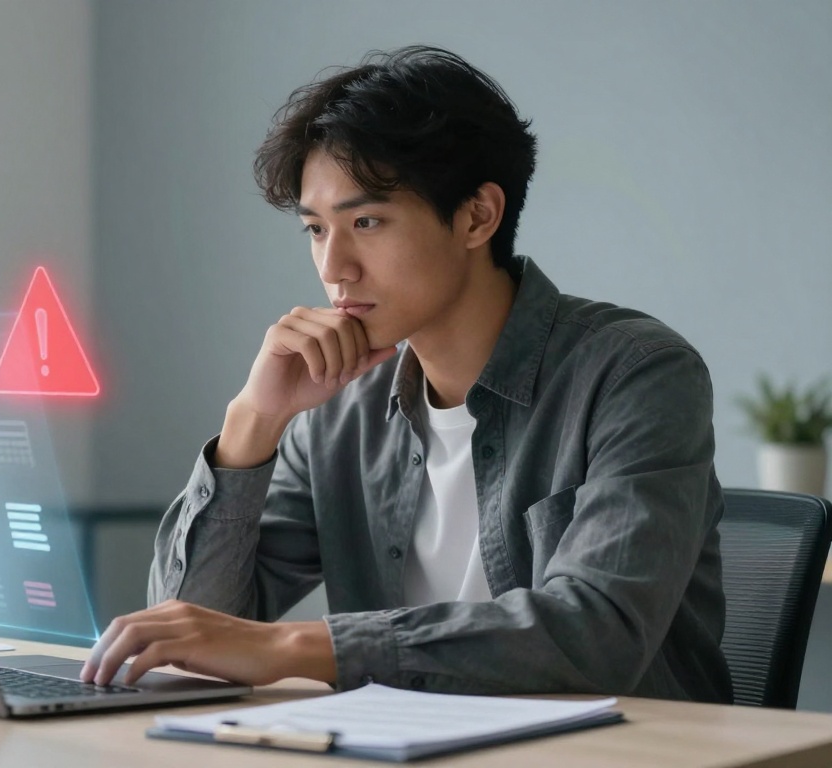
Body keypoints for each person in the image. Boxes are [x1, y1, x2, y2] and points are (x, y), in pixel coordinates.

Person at [80, 45, 731, 703]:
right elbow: (187, 633)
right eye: (314, 229)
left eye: (366, 221)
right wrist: (253, 420)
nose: (334, 266)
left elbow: (599, 633)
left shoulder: (636, 375)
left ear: (478, 216)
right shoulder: (341, 409)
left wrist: (295, 647)